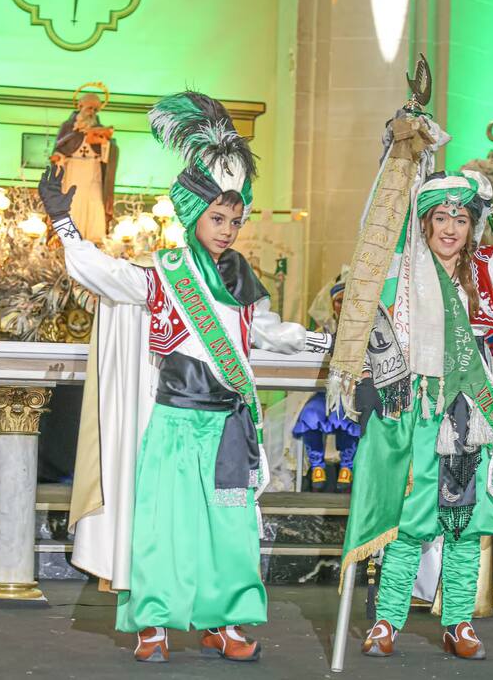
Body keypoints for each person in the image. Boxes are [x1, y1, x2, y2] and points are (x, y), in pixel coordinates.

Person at [38, 91, 331, 664]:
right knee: (165, 528)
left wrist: (331, 341)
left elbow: (270, 333)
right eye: (217, 218)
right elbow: (103, 274)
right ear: (195, 215)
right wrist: (63, 223)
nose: (227, 229)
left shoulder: (241, 278)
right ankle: (152, 625)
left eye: (235, 219)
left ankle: (223, 624)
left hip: (227, 430)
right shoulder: (164, 273)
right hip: (174, 424)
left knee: (231, 531)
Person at [330, 112, 493, 660]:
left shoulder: (484, 269)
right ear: (424, 223)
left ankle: (458, 623)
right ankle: (387, 623)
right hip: (415, 410)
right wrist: (401, 148)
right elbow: (373, 227)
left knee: (466, 522)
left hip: (468, 411)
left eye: (460, 219)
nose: (450, 228)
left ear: (473, 226)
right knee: (407, 520)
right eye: (440, 218)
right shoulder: (402, 269)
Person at [292, 278, 360, 492]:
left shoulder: (361, 330)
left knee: (349, 414)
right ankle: (317, 466)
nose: (341, 305)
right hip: (323, 392)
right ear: (332, 303)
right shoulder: (323, 329)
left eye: (346, 300)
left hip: (350, 394)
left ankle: (347, 467)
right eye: (338, 301)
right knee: (310, 414)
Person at [50, 89, 118, 243]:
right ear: (80, 106)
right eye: (89, 108)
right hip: (74, 170)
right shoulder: (68, 127)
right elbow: (60, 149)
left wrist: (105, 143)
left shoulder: (100, 128)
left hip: (93, 171)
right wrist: (58, 158)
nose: (91, 112)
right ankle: (70, 237)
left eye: (95, 109)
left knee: (94, 204)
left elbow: (109, 154)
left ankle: (93, 239)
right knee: (73, 203)